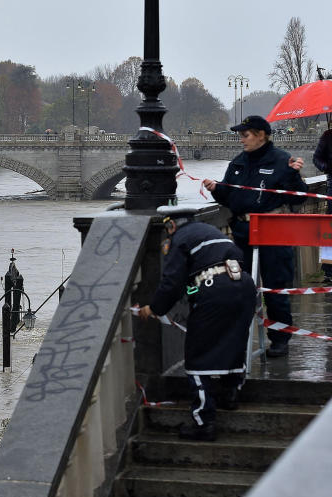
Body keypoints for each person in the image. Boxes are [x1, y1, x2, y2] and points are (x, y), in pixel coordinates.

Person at [137, 206, 257, 441]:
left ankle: (204, 422)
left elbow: (172, 281)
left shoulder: (179, 239)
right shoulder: (210, 231)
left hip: (214, 290)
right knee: (234, 340)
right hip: (243, 285)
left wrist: (154, 308)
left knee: (197, 356)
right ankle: (231, 394)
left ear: (171, 225)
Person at [201, 115, 307, 357]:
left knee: (275, 289)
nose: (241, 139)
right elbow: (231, 196)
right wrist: (217, 190)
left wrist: (293, 176)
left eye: (245, 135)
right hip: (242, 233)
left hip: (273, 233)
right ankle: (239, 337)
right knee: (241, 287)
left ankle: (280, 339)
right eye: (240, 135)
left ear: (261, 135)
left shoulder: (282, 161)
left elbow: (299, 198)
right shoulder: (238, 162)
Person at [312, 125, 332, 283]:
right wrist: (327, 168)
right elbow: (316, 159)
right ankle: (329, 270)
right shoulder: (327, 136)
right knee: (330, 228)